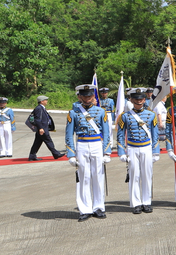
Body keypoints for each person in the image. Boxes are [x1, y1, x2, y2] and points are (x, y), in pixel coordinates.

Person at [65, 84, 112, 222]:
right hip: (82, 145)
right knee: (83, 178)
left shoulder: (101, 111)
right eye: (84, 95)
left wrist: (107, 151)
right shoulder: (73, 113)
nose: (87, 98)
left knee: (98, 177)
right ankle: (85, 209)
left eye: (90, 95)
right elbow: (69, 135)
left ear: (93, 96)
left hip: (97, 145)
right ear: (79, 96)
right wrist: (71, 154)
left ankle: (99, 207)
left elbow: (106, 133)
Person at [117, 87, 159, 214]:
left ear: (144, 99)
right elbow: (120, 135)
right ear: (131, 100)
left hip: (146, 147)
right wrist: (121, 152)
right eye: (136, 99)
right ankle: (136, 203)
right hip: (132, 148)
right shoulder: (124, 116)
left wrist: (155, 151)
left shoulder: (152, 115)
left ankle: (146, 202)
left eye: (141, 99)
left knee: (147, 175)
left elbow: (155, 134)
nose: (139, 101)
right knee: (134, 176)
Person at [28, 95, 65, 161]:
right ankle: (56, 154)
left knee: (37, 143)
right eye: (45, 100)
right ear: (42, 101)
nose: (47, 101)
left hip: (43, 128)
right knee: (48, 141)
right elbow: (38, 119)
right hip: (42, 129)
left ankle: (32, 156)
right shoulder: (39, 108)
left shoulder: (41, 108)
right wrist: (40, 128)